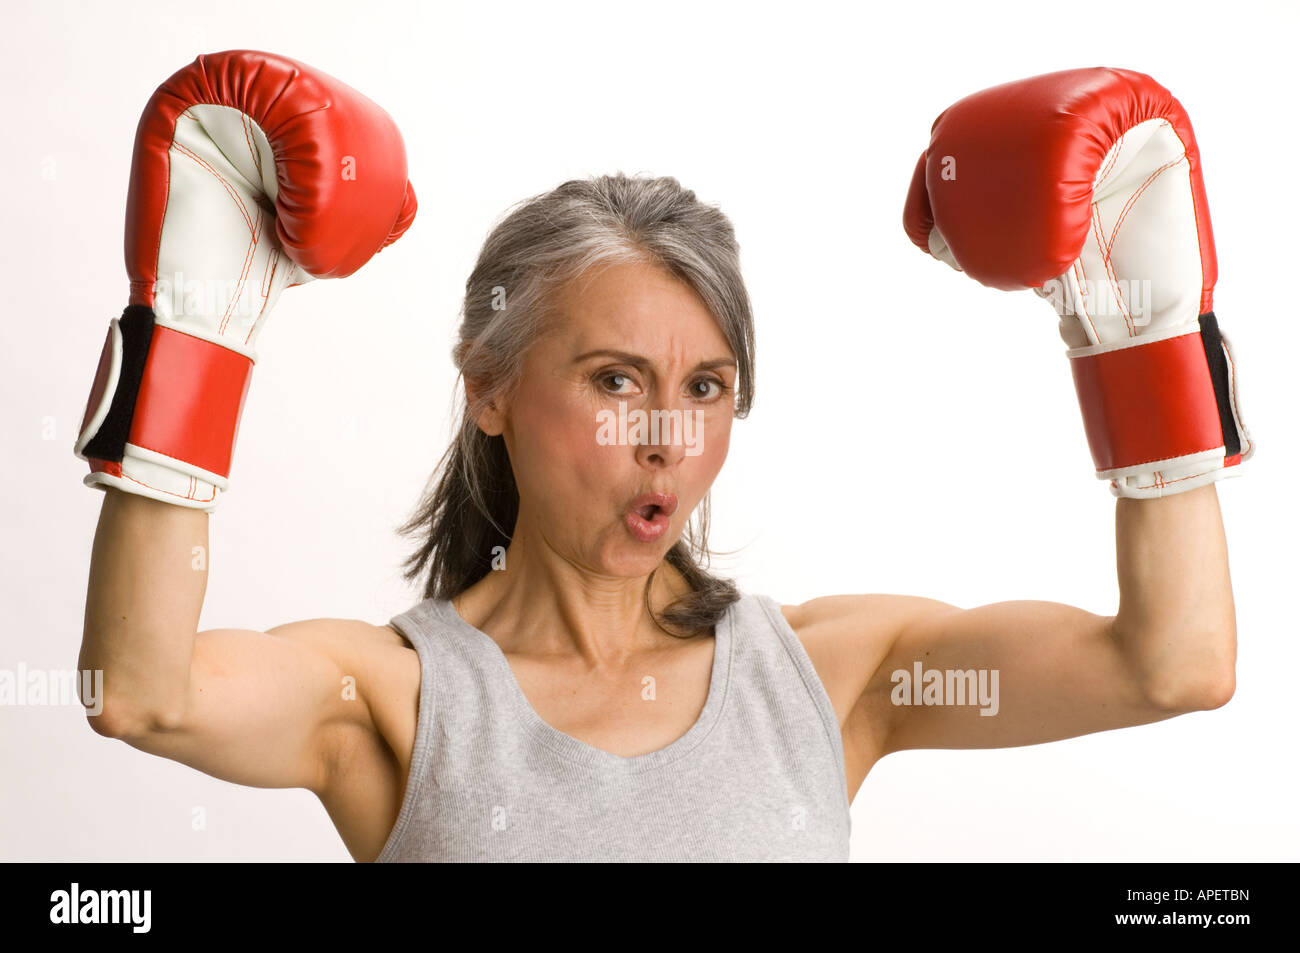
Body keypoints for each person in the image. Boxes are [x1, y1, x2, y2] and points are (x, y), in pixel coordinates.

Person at [77, 54, 1251, 862]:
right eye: (614, 380)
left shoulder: (832, 673)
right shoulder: (395, 696)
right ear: (488, 386)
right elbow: (138, 689)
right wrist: (193, 335)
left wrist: (1142, 344)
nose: (668, 438)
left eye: (708, 387)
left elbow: (1172, 664)